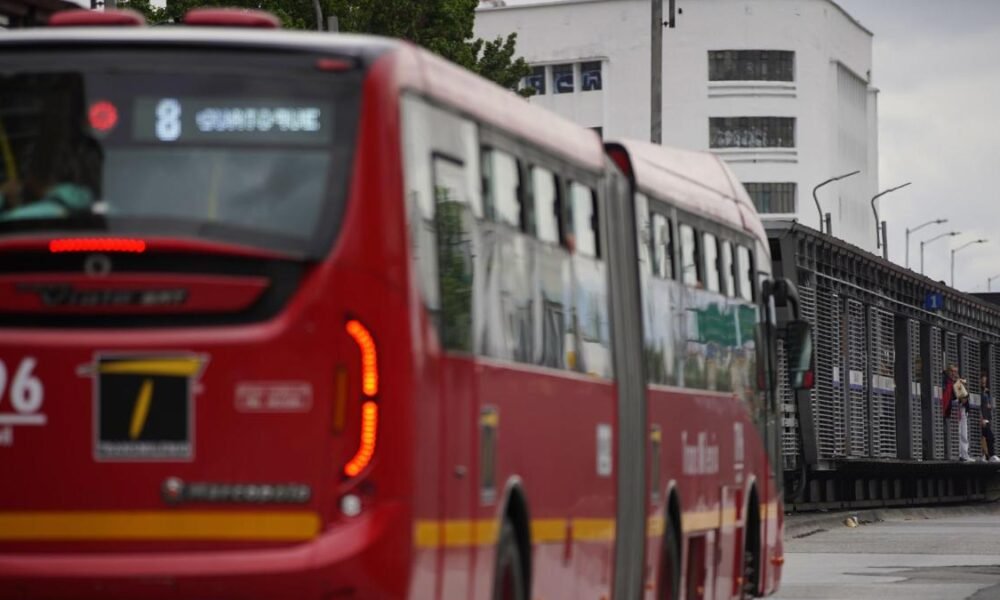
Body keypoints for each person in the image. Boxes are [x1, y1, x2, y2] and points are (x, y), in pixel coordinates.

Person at [942, 364, 971, 461]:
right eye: (952, 371)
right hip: (946, 410)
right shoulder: (945, 381)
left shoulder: (957, 383)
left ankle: (963, 454)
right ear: (948, 371)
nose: (954, 374)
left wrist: (961, 385)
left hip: (955, 411)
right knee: (953, 433)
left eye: (955, 372)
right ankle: (955, 454)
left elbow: (964, 399)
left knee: (961, 433)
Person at [981, 374, 999, 462]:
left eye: (985, 382)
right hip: (982, 418)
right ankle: (991, 455)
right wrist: (981, 418)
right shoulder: (980, 392)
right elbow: (978, 405)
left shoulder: (986, 392)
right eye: (983, 382)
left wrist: (989, 406)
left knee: (985, 436)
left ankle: (985, 455)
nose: (984, 384)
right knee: (990, 436)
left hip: (987, 417)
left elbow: (986, 404)